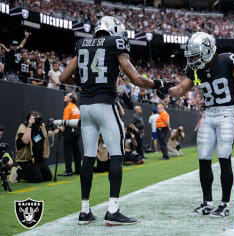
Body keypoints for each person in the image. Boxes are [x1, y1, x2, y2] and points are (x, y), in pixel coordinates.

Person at [59, 16, 171, 226]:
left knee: (88, 157)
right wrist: (157, 83)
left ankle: (84, 211)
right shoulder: (115, 43)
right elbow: (136, 78)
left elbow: (63, 78)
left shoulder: (82, 43)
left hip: (86, 106)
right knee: (117, 154)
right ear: (114, 30)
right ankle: (113, 209)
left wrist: (85, 81)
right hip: (105, 104)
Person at [168, 32, 234, 217]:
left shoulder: (226, 61)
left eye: (195, 55)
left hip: (226, 113)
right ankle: (207, 202)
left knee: (224, 159)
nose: (192, 60)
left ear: (207, 51)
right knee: (204, 160)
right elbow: (181, 89)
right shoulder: (195, 70)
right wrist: (164, 88)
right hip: (208, 115)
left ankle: (224, 204)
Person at [15, 111, 60, 183]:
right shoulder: (23, 127)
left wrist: (59, 129)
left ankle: (34, 171)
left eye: (37, 118)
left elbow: (47, 135)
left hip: (38, 158)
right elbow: (26, 141)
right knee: (37, 179)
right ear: (28, 120)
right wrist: (29, 126)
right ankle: (19, 172)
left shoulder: (41, 125)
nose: (36, 120)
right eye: (33, 118)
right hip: (27, 159)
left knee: (48, 177)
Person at [58, 92, 82, 176]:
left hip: (69, 130)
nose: (64, 96)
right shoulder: (76, 107)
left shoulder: (68, 108)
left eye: (67, 96)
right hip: (77, 130)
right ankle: (78, 169)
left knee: (67, 150)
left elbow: (65, 122)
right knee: (76, 150)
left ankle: (68, 170)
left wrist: (61, 130)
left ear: (70, 99)